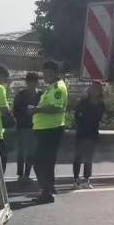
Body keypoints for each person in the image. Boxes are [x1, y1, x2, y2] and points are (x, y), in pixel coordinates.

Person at [30, 60, 68, 204]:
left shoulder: (58, 88)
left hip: (51, 129)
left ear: (54, 72)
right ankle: (48, 189)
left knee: (43, 161)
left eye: (46, 72)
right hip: (43, 129)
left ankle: (47, 192)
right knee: (41, 160)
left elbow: (56, 108)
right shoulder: (50, 87)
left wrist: (36, 109)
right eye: (44, 72)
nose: (44, 75)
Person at [73, 81, 105, 188]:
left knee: (89, 158)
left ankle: (86, 180)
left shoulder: (101, 103)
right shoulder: (83, 102)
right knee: (78, 157)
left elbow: (99, 118)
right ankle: (75, 180)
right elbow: (77, 115)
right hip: (82, 133)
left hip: (92, 134)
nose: (94, 90)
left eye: (97, 88)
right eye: (92, 88)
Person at [12, 72, 40, 182]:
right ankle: (20, 175)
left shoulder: (40, 95)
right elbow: (15, 111)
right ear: (26, 82)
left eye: (34, 82)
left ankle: (27, 175)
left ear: (37, 83)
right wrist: (25, 112)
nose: (31, 85)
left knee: (31, 152)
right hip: (23, 126)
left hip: (35, 127)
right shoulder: (21, 95)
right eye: (29, 82)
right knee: (22, 152)